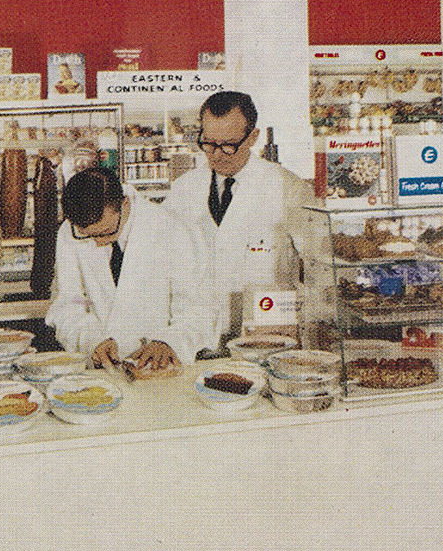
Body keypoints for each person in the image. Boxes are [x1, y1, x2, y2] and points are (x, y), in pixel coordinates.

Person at [163, 89, 313, 343]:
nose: (217, 154)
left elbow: (318, 268)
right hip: (196, 336)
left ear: (253, 137)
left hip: (266, 337)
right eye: (209, 143)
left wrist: (301, 320)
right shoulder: (183, 190)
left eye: (229, 145)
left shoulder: (288, 188)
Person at [46, 166, 217, 372]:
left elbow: (198, 309)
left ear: (124, 204)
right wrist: (92, 341)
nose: (98, 243)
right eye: (88, 236)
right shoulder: (70, 232)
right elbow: (68, 303)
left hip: (158, 370)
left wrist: (168, 342)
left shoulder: (172, 228)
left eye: (107, 232)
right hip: (102, 372)